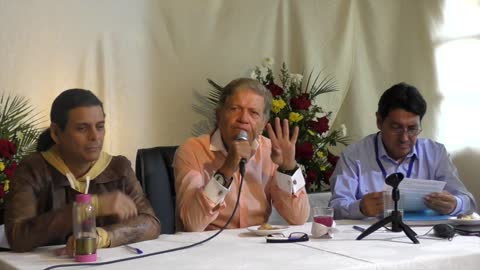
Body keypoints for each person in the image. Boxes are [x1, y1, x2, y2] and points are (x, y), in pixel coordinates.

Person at [5, 89, 160, 253]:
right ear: (56, 133)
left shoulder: (118, 168)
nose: (95, 136)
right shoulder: (33, 169)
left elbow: (150, 223)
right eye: (82, 128)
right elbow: (17, 237)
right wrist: (90, 207)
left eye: (100, 127)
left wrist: (101, 237)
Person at [174, 78, 310, 232]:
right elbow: (192, 223)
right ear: (219, 115)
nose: (243, 119)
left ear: (263, 124)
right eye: (234, 109)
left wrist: (288, 168)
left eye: (253, 113)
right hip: (210, 247)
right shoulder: (191, 151)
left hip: (258, 245)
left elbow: (299, 217)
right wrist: (227, 168)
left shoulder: (271, 151)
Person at [329, 82, 477, 219]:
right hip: (372, 239)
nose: (404, 138)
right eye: (396, 127)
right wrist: (360, 208)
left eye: (412, 129)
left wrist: (455, 204)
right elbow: (334, 208)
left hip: (426, 238)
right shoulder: (354, 155)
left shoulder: (436, 153)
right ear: (379, 121)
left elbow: (469, 202)